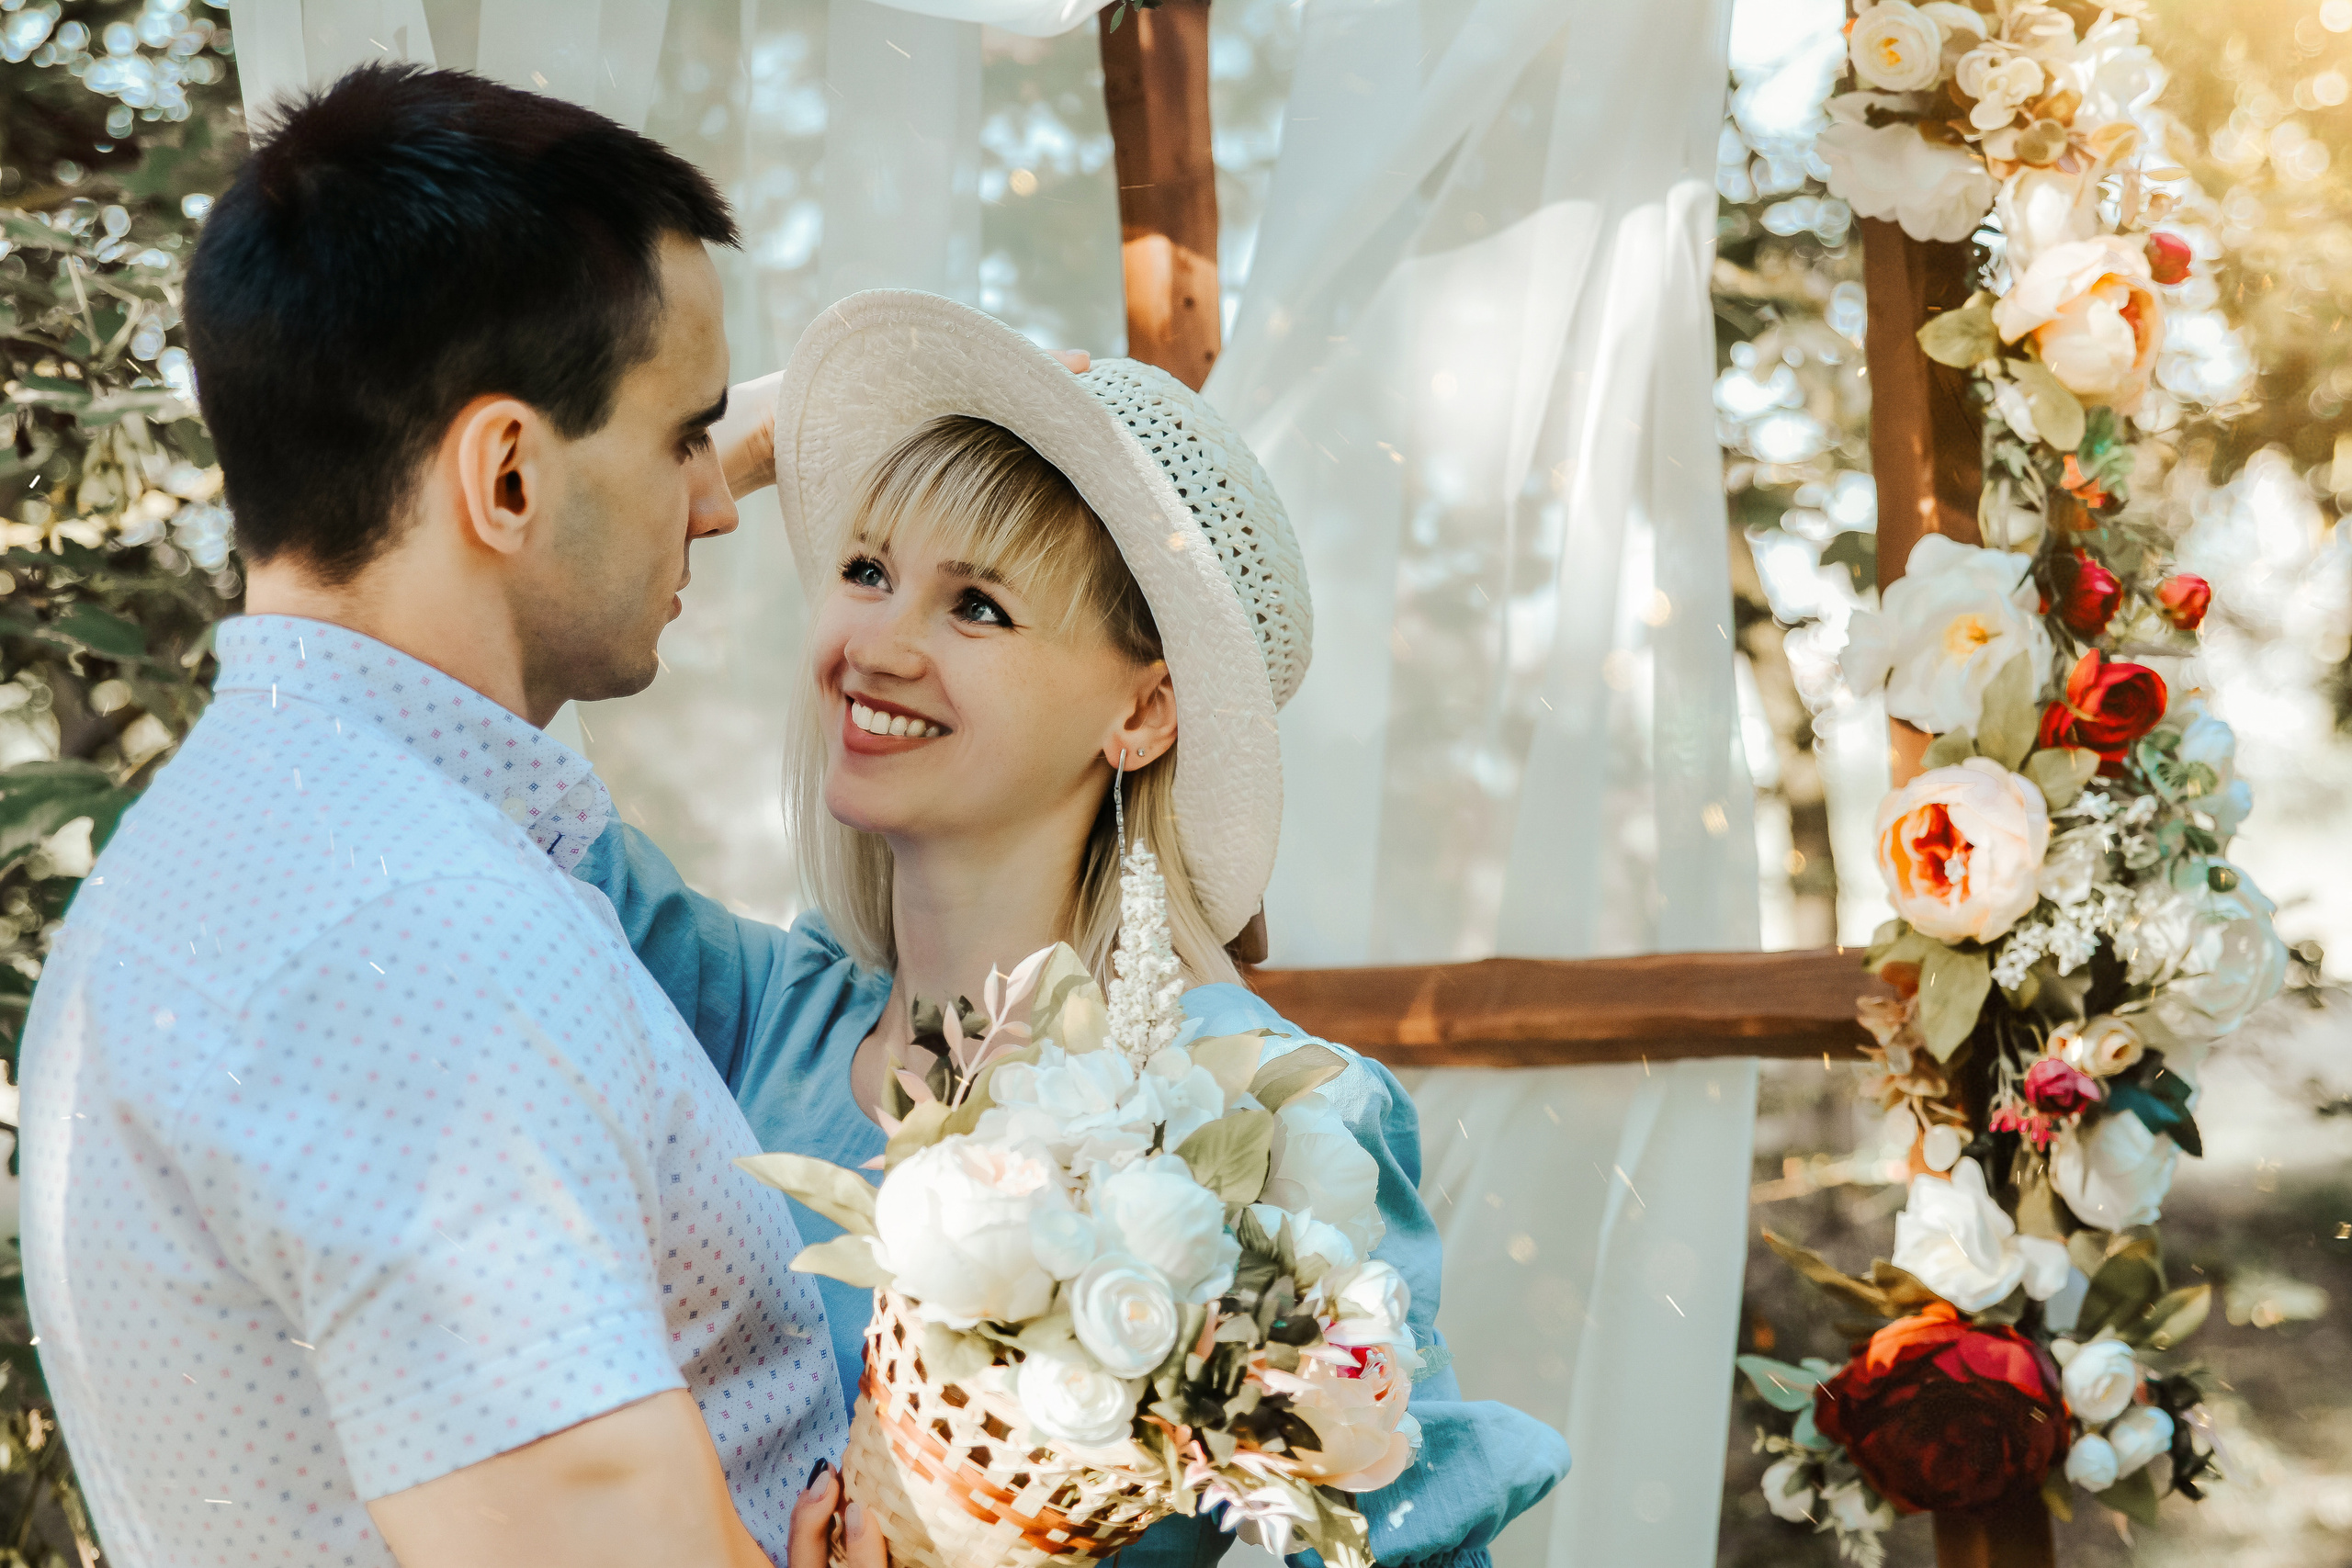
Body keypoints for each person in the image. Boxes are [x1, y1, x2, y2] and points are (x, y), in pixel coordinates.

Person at [14, 65, 874, 1568]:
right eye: (687, 438)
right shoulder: (414, 948)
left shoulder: (252, 848)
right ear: (508, 473)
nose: (721, 503)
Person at [577, 289, 1572, 1568]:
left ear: (1145, 714)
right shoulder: (757, 1014)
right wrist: (737, 444)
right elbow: (464, 745)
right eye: (866, 569)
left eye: (977, 605)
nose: (877, 643)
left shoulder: (1266, 1121)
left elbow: (1396, 1543)